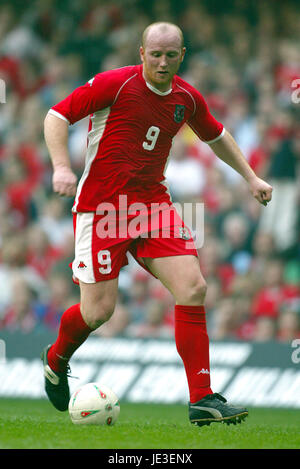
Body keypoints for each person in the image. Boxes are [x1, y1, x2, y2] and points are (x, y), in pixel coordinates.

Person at [41, 22, 273, 427]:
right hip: (102, 208)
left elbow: (215, 136)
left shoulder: (186, 97)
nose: (163, 62)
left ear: (182, 55)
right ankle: (55, 359)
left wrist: (250, 177)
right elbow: (56, 115)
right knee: (98, 313)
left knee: (194, 286)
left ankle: (202, 398)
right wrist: (61, 167)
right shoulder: (114, 84)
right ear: (141, 53)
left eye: (171, 55)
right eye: (155, 54)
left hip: (151, 205)